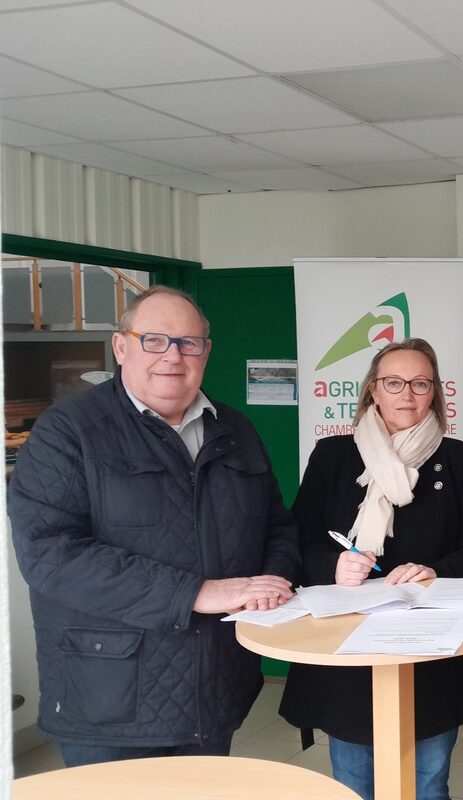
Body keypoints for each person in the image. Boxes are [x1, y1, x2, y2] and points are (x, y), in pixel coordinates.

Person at [8, 286, 299, 766]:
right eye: (155, 340)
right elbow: (52, 556)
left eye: (189, 342)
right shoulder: (69, 431)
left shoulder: (235, 430)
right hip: (110, 700)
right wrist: (197, 592)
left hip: (216, 691)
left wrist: (271, 584)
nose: (173, 355)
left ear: (206, 353)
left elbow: (277, 526)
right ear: (121, 347)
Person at [279, 338, 463, 800]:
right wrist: (332, 566)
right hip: (350, 649)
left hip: (432, 646)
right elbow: (296, 541)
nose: (407, 394)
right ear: (372, 392)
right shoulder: (333, 456)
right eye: (394, 382)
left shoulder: (456, 458)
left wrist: (435, 571)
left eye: (420, 383)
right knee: (354, 780)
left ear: (435, 393)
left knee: (429, 779)